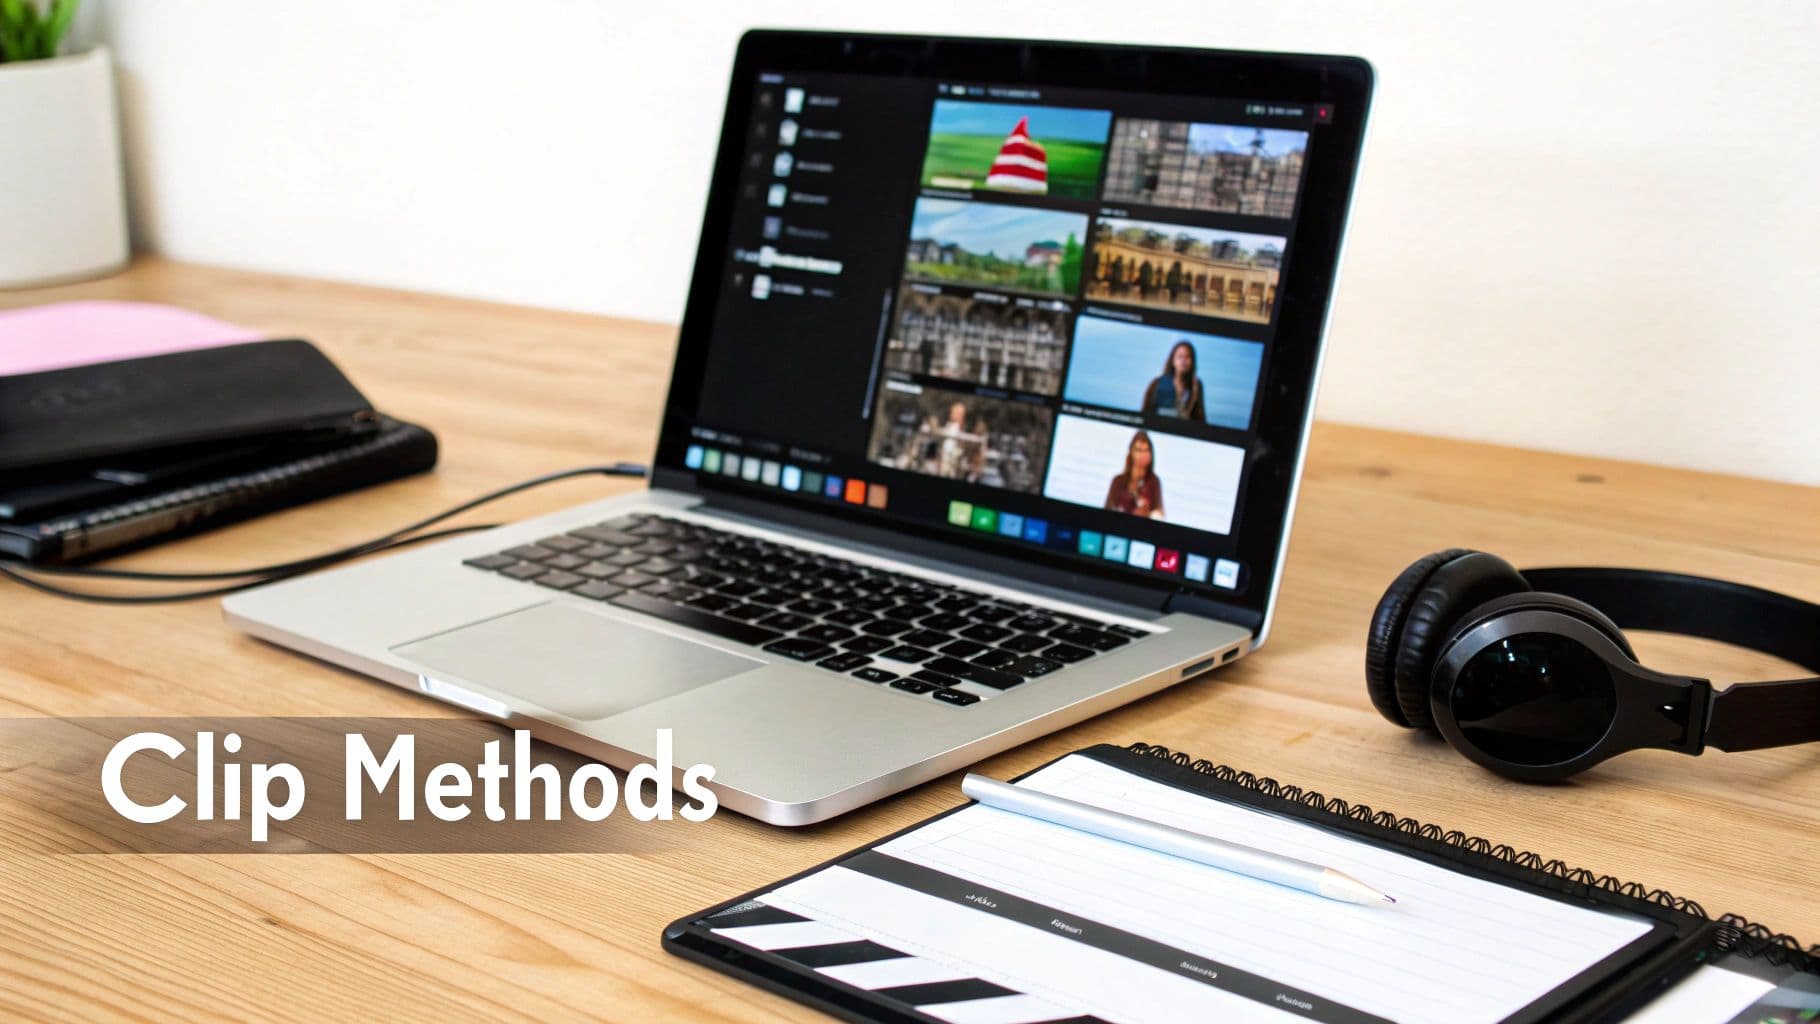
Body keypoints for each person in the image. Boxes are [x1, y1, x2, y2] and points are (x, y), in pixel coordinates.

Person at [1104, 430, 1164, 519]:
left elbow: (1160, 513)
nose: (1143, 454)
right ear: (1131, 453)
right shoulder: (1118, 480)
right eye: (1139, 450)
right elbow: (1106, 510)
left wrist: (1149, 514)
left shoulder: (1154, 481)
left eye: (1146, 450)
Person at [1140, 341, 1206, 422]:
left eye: (1187, 357)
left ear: (1192, 361)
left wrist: (1193, 398)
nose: (1183, 360)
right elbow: (1144, 414)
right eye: (1180, 356)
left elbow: (1200, 418)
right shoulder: (1156, 383)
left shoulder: (1196, 385)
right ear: (1173, 361)